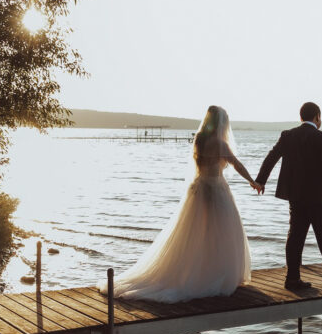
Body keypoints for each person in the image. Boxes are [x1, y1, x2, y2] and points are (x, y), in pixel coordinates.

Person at [100, 106, 262, 302]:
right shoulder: (220, 144)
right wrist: (252, 180)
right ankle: (215, 274)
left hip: (198, 189)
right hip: (216, 190)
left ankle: (196, 272)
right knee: (221, 233)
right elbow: (236, 164)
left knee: (195, 234)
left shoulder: (199, 140)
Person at [255, 101, 322, 290]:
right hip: (318, 197)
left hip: (296, 196)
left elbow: (271, 157)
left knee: (295, 236)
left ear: (301, 117)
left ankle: (292, 278)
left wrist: (261, 181)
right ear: (317, 117)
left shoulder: (288, 135)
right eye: (320, 118)